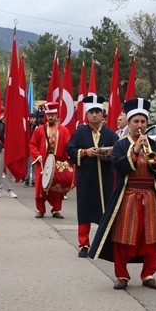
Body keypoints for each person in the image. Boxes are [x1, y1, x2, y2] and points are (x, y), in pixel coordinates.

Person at [89, 98, 156, 288]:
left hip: (149, 196)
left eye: (143, 121)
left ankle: (148, 274)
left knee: (151, 236)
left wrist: (152, 157)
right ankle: (122, 275)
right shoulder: (120, 145)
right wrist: (134, 151)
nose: (140, 125)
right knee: (123, 236)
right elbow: (118, 166)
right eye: (136, 121)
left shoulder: (153, 144)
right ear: (129, 123)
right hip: (127, 196)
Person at [67, 93, 118, 256]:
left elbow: (119, 153)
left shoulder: (111, 134)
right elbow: (70, 150)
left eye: (97, 112)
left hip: (105, 178)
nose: (95, 115)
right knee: (84, 210)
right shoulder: (79, 132)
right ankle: (84, 244)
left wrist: (108, 153)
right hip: (86, 178)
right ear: (87, 114)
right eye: (91, 112)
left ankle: (104, 243)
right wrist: (85, 152)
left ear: (102, 114)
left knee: (105, 210)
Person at [29, 101, 70, 219]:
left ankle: (56, 210)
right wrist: (37, 155)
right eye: (49, 115)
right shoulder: (39, 130)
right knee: (40, 187)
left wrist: (67, 159)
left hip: (57, 163)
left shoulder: (64, 130)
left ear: (56, 115)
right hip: (42, 162)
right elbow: (32, 144)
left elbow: (68, 146)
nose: (50, 117)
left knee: (57, 187)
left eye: (52, 115)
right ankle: (40, 210)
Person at [0, 111, 17, 198]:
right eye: (3, 114)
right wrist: (0, 118)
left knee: (9, 172)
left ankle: (11, 190)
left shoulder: (12, 124)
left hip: (10, 150)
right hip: (0, 149)